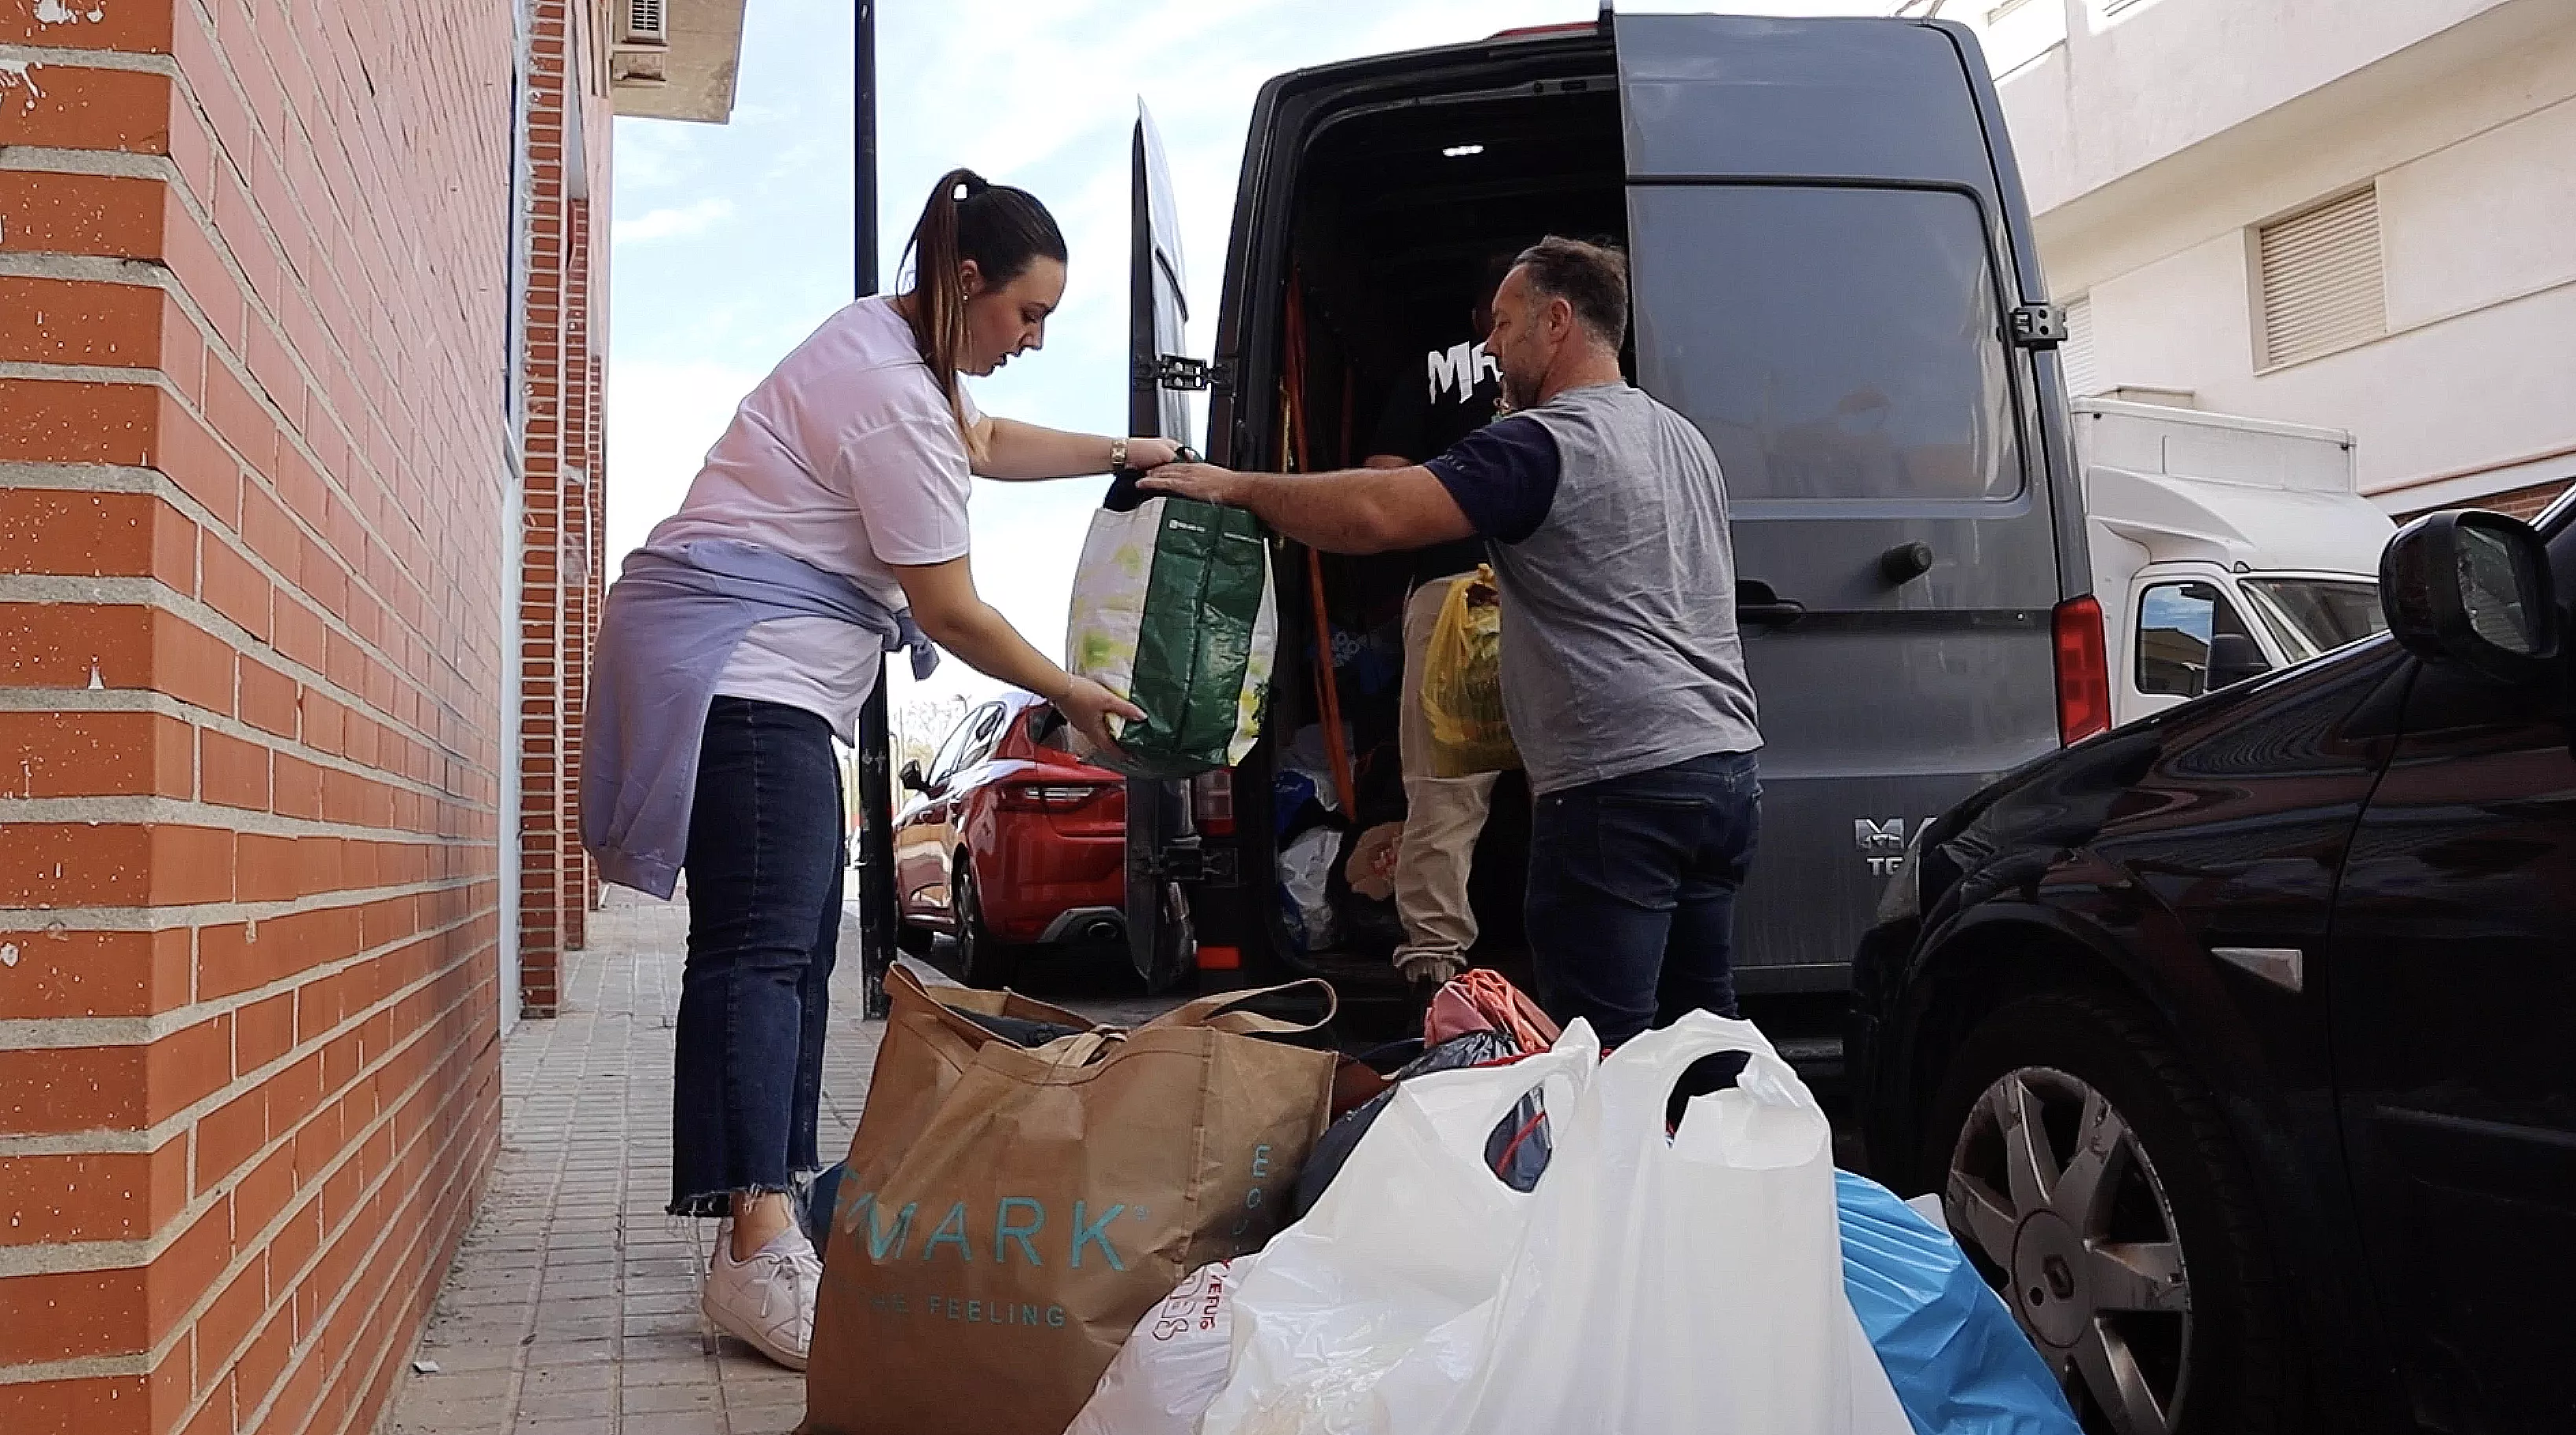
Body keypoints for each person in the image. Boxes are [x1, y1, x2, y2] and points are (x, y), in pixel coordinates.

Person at [583, 168, 1170, 1371]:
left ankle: (770, 1226)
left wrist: (1126, 450)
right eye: (1026, 314)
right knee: (758, 956)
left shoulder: (897, 355)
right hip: (749, 685)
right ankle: (753, 1247)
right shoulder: (887, 396)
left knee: (792, 958)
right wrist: (1067, 690)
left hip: (775, 684)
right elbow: (949, 608)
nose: (1035, 338)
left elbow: (992, 440)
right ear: (964, 284)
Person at [1143, 236, 1761, 1051]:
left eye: (1503, 326)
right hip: (1723, 771)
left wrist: (1237, 486)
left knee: (1602, 1057)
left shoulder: (1543, 442)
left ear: (1557, 320)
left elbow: (1377, 512)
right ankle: (1721, 1172)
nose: (1490, 345)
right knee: (1701, 1038)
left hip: (1619, 785)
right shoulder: (1683, 439)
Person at [1358, 254, 1514, 994]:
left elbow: (1383, 482)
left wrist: (1451, 492)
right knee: (1581, 777)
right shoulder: (1587, 377)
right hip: (1558, 589)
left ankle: (1433, 961)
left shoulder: (1431, 371)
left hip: (1453, 590)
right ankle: (1582, 948)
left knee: (1443, 785)